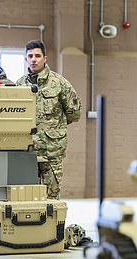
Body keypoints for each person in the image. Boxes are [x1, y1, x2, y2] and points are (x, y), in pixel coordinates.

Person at [16, 40, 82, 199]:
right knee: (26, 196)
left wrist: (54, 128)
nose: (34, 59)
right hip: (26, 150)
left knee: (51, 197)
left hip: (51, 150)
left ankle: (52, 225)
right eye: (30, 56)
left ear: (45, 58)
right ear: (26, 59)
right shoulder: (19, 85)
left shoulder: (59, 83)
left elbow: (75, 112)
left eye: (37, 56)